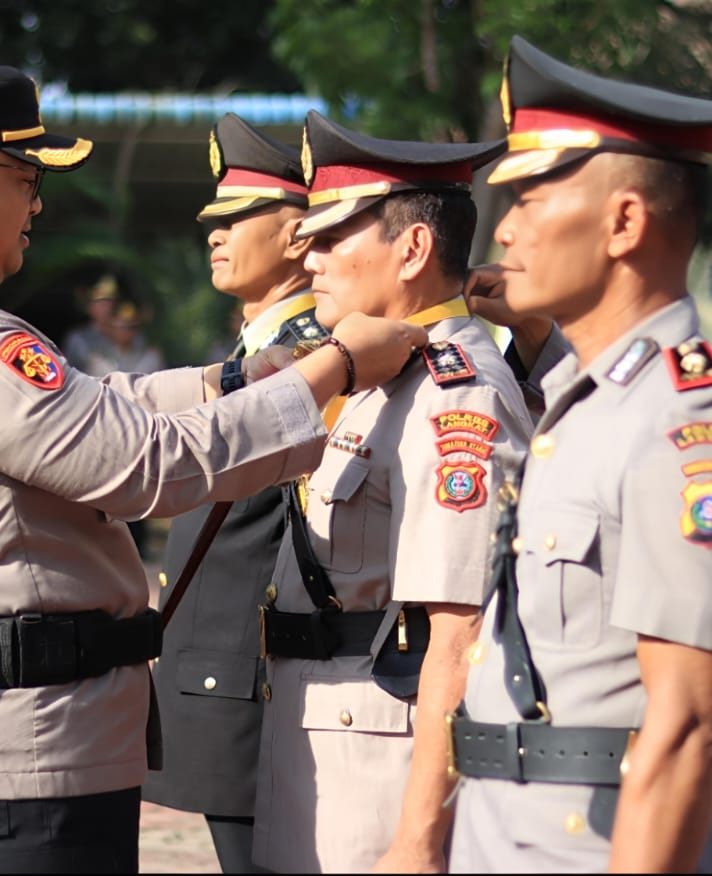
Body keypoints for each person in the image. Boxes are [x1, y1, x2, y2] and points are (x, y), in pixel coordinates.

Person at [0, 65, 426, 874]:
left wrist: (235, 380)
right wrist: (336, 371)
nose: (37, 203)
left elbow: (91, 405)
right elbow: (152, 467)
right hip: (21, 765)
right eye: (25, 177)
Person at [447, 36, 712, 873]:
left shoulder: (689, 420)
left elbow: (682, 730)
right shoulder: (589, 398)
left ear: (625, 222)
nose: (510, 225)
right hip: (511, 834)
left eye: (532, 196)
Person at [250, 111, 533, 874]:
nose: (309, 259)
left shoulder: (454, 397)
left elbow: (460, 634)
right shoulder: (385, 375)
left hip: (380, 781)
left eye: (335, 237)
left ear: (412, 248)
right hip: (327, 750)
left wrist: (418, 842)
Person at [143, 112, 324, 874]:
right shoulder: (253, 352)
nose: (215, 235)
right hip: (220, 683)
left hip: (253, 685)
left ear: (299, 237)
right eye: (212, 221)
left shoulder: (312, 358)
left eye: (239, 217)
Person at [63, 273, 120, 371]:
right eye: (100, 304)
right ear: (89, 307)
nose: (106, 308)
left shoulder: (129, 334)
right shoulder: (78, 339)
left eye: (109, 303)